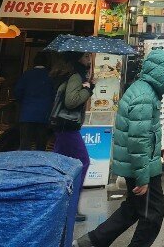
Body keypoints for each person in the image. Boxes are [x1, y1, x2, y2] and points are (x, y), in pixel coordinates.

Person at [76, 49, 164, 247]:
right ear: (162, 73)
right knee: (152, 215)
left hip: (140, 164)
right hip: (143, 167)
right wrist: (143, 178)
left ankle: (92, 241)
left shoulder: (144, 90)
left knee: (133, 208)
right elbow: (138, 141)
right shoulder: (144, 96)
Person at [52, 52, 94, 222]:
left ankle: (58, 204)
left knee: (59, 165)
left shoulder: (69, 74)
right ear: (78, 59)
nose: (89, 60)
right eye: (86, 57)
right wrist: (88, 90)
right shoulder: (76, 76)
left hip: (62, 127)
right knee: (83, 162)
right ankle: (71, 206)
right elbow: (71, 102)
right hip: (67, 127)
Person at [15, 51, 55, 151]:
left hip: (26, 114)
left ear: (34, 62)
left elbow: (17, 92)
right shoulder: (50, 76)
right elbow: (54, 95)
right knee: (41, 145)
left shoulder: (27, 74)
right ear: (47, 63)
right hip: (44, 115)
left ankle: (24, 160)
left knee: (25, 144)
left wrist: (23, 103)